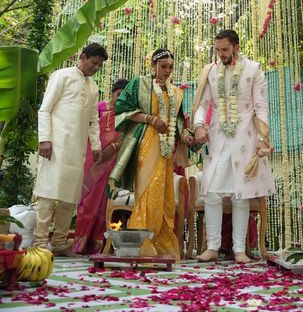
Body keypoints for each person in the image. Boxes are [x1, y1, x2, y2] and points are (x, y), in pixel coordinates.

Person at [192, 29, 275, 264]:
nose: (221, 54)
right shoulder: (210, 71)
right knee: (212, 191)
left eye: (225, 50)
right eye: (217, 50)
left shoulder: (254, 69)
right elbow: (202, 104)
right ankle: (212, 247)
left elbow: (261, 106)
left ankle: (240, 249)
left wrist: (262, 137)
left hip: (245, 138)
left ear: (236, 46)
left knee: (241, 195)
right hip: (218, 139)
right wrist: (199, 125)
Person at [113, 49, 194, 260]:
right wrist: (150, 118)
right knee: (148, 190)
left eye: (170, 67)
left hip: (167, 148)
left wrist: (185, 135)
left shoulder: (176, 92)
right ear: (153, 66)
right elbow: (121, 107)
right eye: (163, 66)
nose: (167, 71)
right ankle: (142, 243)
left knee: (164, 193)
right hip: (147, 143)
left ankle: (160, 242)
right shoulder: (140, 84)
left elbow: (177, 121)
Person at [32, 42, 108, 257]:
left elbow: (94, 120)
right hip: (55, 145)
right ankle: (39, 242)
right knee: (47, 194)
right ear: (82, 57)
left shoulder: (93, 87)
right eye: (94, 63)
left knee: (68, 197)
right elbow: (44, 109)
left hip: (77, 150)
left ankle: (59, 243)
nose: (95, 68)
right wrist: (45, 140)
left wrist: (96, 147)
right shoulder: (62, 76)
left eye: (99, 66)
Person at [73, 78, 129, 254]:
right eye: (118, 94)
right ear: (112, 93)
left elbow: (127, 138)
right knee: (87, 200)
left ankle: (101, 244)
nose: (120, 99)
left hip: (113, 163)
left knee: (106, 201)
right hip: (93, 159)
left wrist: (112, 147)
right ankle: (81, 242)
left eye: (124, 96)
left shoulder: (127, 115)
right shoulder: (100, 108)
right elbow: (87, 129)